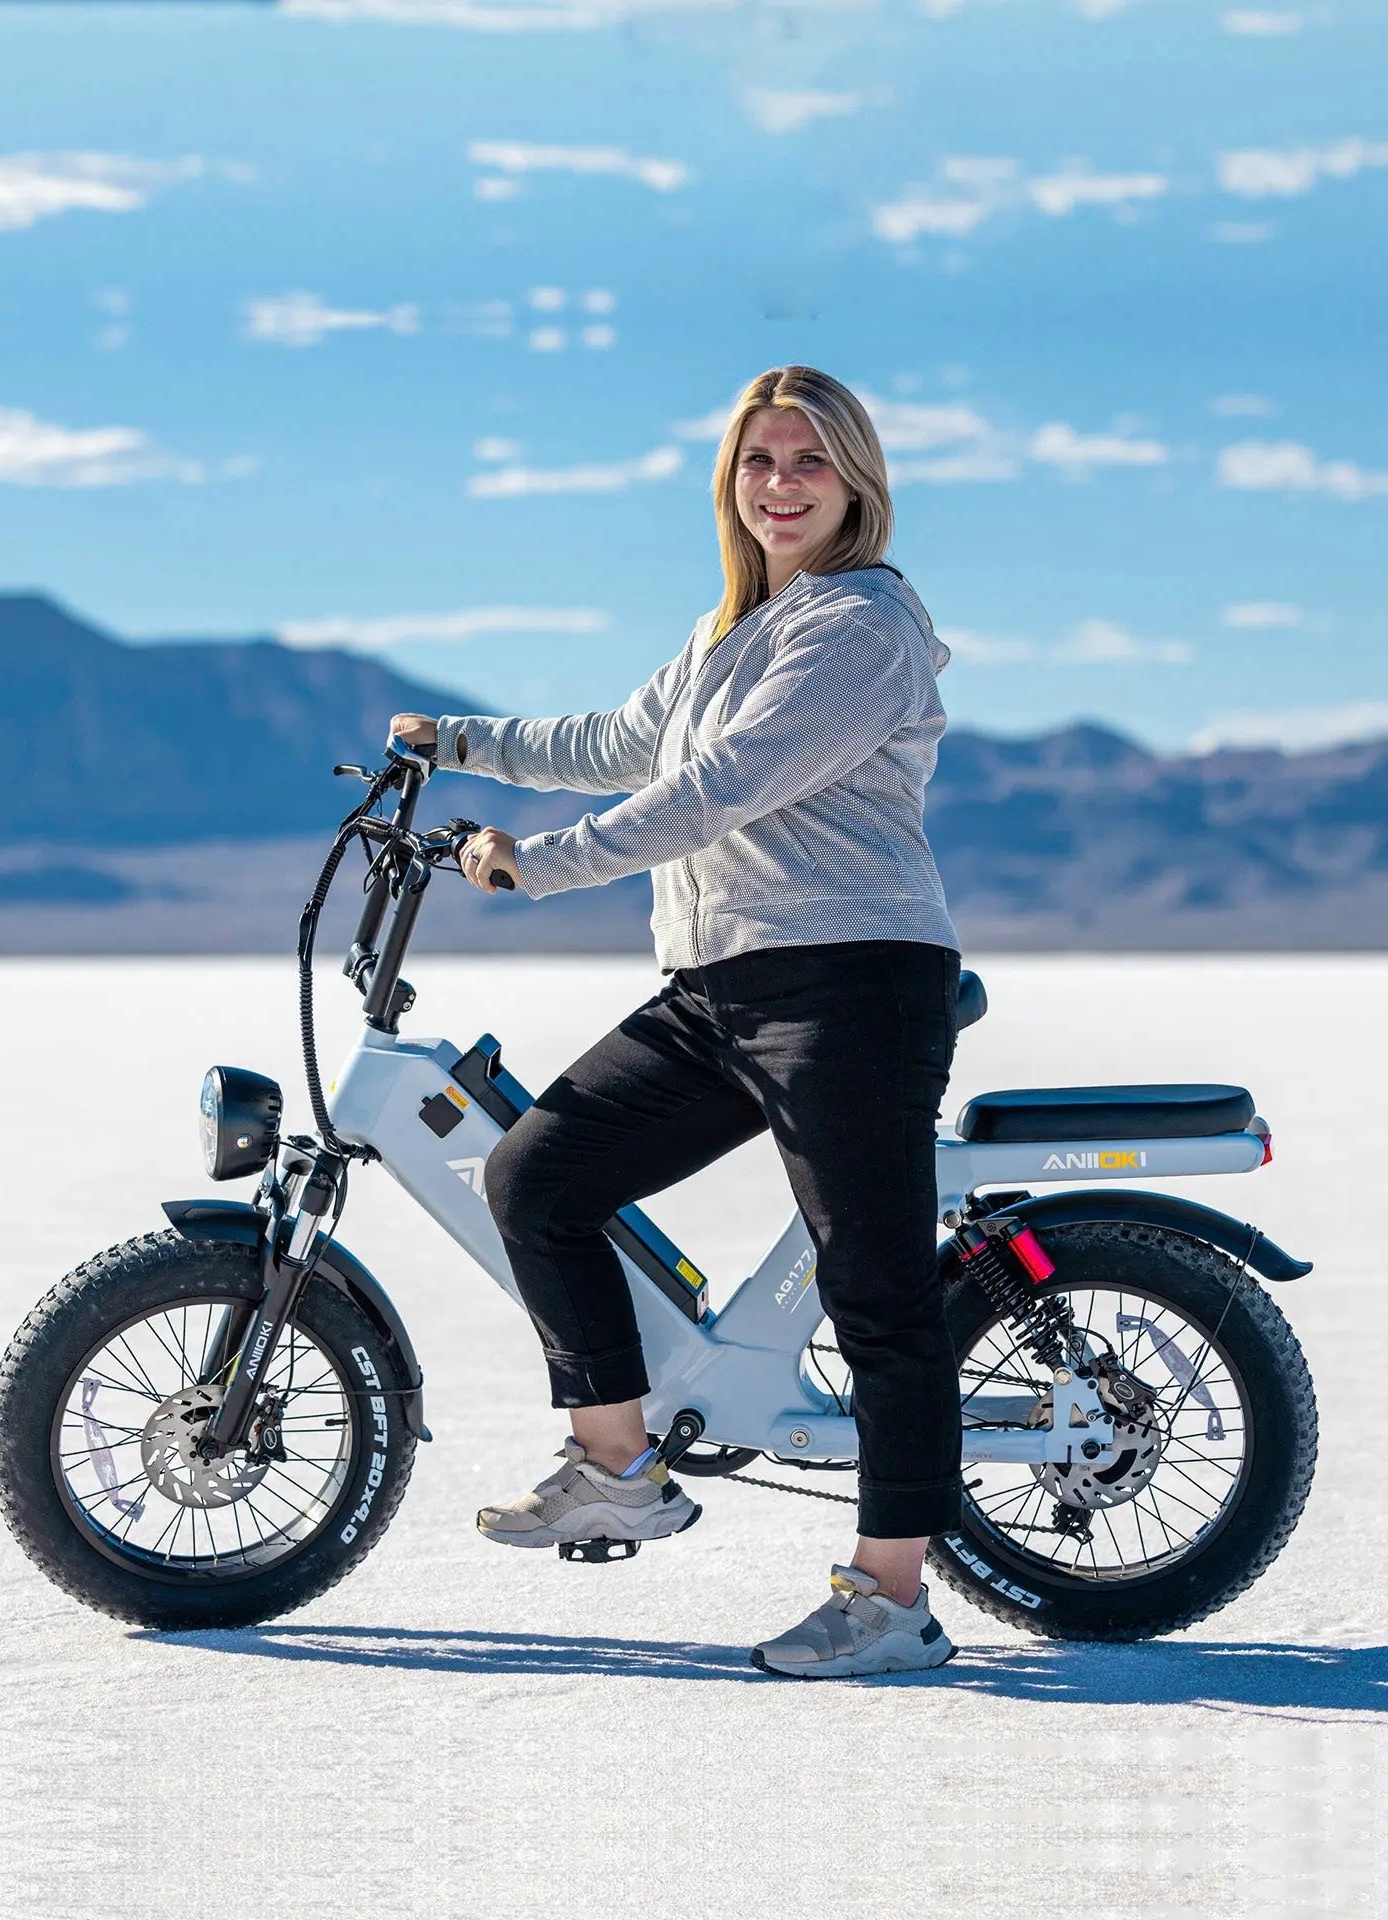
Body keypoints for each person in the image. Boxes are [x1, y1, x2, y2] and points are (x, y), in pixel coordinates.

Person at [390, 364, 963, 1679]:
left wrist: (535, 865)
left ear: (857, 480)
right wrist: (458, 738)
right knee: (538, 1172)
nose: (781, 485)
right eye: (759, 462)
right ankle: (616, 1464)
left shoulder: (858, 627)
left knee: (876, 1294)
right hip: (721, 985)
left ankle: (893, 1601)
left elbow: (714, 790)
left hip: (850, 982)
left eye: (810, 461)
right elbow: (619, 739)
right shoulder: (730, 632)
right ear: (731, 482)